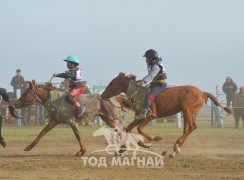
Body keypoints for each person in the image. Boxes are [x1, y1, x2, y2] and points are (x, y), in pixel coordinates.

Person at [135, 49, 167, 120]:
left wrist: (142, 83)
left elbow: (151, 76)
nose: (145, 60)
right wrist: (142, 81)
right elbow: (148, 75)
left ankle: (144, 113)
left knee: (150, 96)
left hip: (160, 85)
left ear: (151, 58)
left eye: (146, 58)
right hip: (154, 83)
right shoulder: (150, 64)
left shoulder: (156, 66)